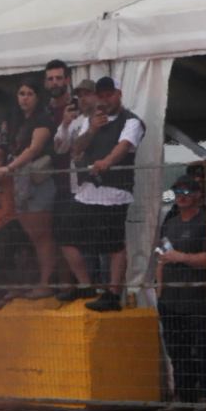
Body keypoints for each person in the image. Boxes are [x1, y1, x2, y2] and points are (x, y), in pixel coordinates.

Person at [56, 76, 144, 312]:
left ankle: (113, 294)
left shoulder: (131, 121)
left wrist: (106, 162)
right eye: (101, 95)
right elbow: (76, 148)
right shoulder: (90, 120)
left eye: (109, 95)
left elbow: (123, 147)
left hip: (114, 190)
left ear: (118, 94)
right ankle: (86, 284)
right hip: (87, 190)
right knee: (65, 235)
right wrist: (93, 129)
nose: (105, 100)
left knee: (113, 244)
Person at [0, 77, 58, 296]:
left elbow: (34, 149)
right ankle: (37, 281)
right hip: (21, 184)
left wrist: (8, 168)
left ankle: (47, 283)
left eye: (29, 94)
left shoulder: (43, 120)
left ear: (38, 97)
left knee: (42, 235)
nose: (25, 98)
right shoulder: (16, 121)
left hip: (38, 183)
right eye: (21, 93)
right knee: (32, 236)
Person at [152, 175, 206, 411]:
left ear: (198, 194)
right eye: (178, 190)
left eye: (188, 191)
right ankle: (182, 397)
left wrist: (182, 258)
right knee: (176, 348)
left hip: (197, 295)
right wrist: (159, 286)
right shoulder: (170, 223)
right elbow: (161, 255)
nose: (182, 195)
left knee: (201, 348)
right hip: (171, 297)